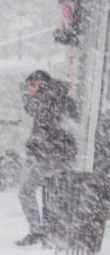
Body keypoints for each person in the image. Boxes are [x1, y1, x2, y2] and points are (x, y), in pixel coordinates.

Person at [16, 69, 78, 246]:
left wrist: (32, 147)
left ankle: (38, 231)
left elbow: (43, 127)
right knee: (50, 192)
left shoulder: (46, 98)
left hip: (50, 155)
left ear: (40, 84)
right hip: (62, 154)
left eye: (31, 86)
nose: (29, 91)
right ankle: (51, 231)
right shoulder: (60, 95)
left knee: (26, 191)